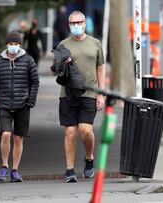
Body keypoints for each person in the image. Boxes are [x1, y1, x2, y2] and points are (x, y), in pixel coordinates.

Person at [57, 11, 105, 183]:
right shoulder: (63, 44)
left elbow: (100, 68)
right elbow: (56, 70)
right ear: (69, 24)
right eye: (72, 23)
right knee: (70, 132)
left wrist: (101, 94)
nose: (76, 25)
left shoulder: (95, 43)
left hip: (90, 93)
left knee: (86, 131)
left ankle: (89, 158)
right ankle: (70, 169)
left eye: (79, 22)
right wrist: (60, 65)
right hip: (68, 94)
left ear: (85, 23)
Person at [0, 31, 39, 183]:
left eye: (16, 44)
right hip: (4, 104)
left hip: (23, 105)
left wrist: (30, 101)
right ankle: (4, 166)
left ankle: (15, 170)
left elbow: (35, 82)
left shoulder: (28, 60)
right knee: (6, 134)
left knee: (18, 138)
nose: (13, 47)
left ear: (20, 45)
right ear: (7, 45)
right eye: (11, 44)